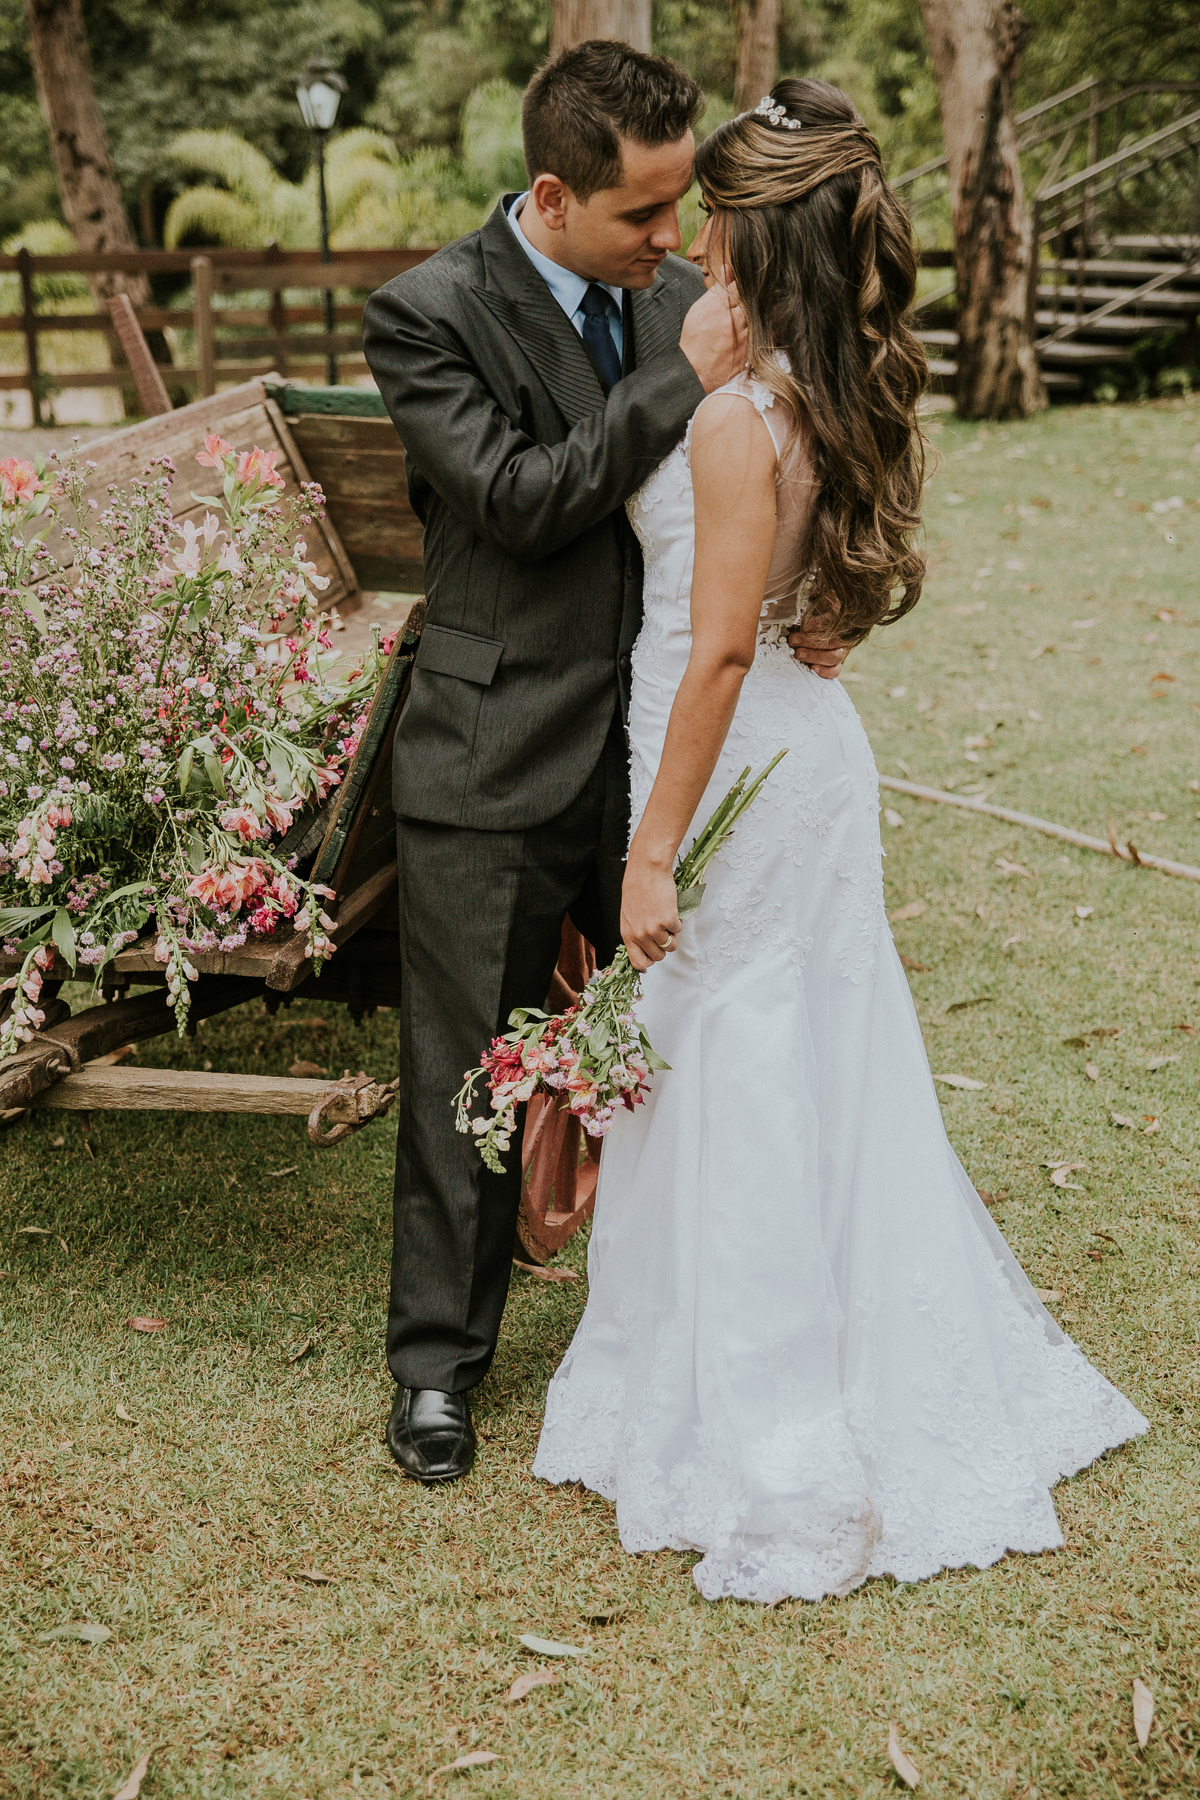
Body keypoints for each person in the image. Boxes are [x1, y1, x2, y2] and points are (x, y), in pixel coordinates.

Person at [532, 78, 1147, 1603]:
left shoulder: (741, 415)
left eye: (716, 217)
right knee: (802, 1049)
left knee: (739, 1060)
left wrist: (653, 850)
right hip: (798, 758)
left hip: (728, 759)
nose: (695, 237)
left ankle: (778, 1426)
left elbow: (726, 649)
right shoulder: (830, 377)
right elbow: (821, 586)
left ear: (754, 233)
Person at [363, 43, 846, 1486]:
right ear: (555, 193)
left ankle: (675, 1326)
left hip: (662, 758)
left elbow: (772, 465)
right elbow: (514, 502)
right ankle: (438, 1372)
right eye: (642, 217)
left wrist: (815, 599)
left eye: (676, 210)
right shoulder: (425, 314)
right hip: (491, 751)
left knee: (693, 1044)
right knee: (470, 1073)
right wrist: (666, 389)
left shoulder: (689, 298)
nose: (669, 244)